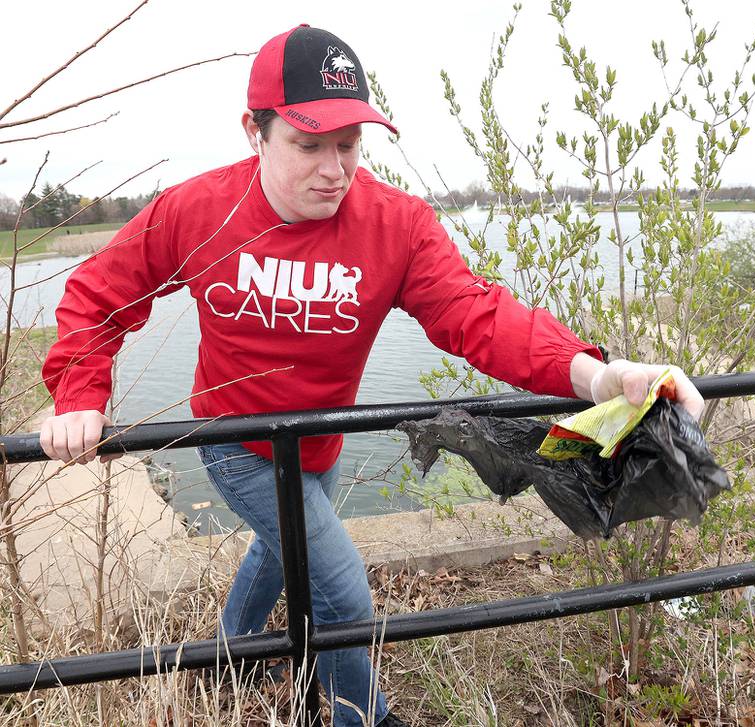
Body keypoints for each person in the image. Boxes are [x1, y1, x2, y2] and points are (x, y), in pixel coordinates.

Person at [39, 24, 704, 727]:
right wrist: (80, 393)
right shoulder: (199, 210)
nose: (334, 168)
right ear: (254, 132)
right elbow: (99, 292)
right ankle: (365, 715)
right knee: (344, 593)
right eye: (309, 144)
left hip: (319, 443)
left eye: (349, 144)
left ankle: (228, 655)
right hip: (235, 443)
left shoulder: (397, 225)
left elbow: (477, 315)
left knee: (281, 544)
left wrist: (599, 375)